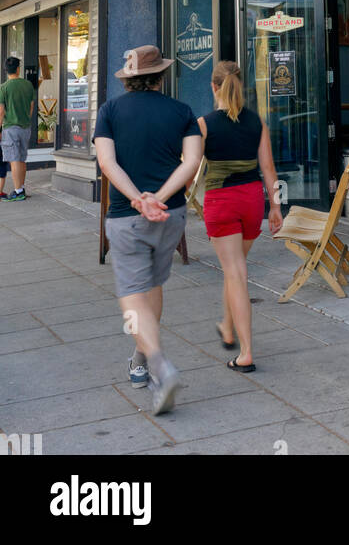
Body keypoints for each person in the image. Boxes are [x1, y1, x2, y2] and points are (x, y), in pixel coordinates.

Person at [93, 45, 203, 415]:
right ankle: (140, 355)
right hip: (170, 216)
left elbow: (107, 163)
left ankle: (159, 364)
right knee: (152, 285)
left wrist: (138, 199)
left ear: (128, 80)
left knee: (131, 294)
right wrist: (159, 197)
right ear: (160, 76)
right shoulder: (183, 112)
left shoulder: (109, 111)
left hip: (127, 217)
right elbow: (192, 162)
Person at [197, 61, 282, 372]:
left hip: (221, 201)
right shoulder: (257, 122)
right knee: (235, 270)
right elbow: (269, 169)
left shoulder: (204, 124)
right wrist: (275, 207)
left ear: (213, 87)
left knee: (235, 273)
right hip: (250, 202)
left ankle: (246, 353)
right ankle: (227, 327)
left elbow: (190, 166)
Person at [0, 57, 35, 201]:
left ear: (6, 70)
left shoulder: (4, 87)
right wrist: (26, 119)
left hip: (10, 128)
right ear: (18, 69)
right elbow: (31, 106)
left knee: (14, 160)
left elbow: (1, 111)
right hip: (25, 127)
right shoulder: (28, 85)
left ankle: (17, 191)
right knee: (21, 159)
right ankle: (21, 188)